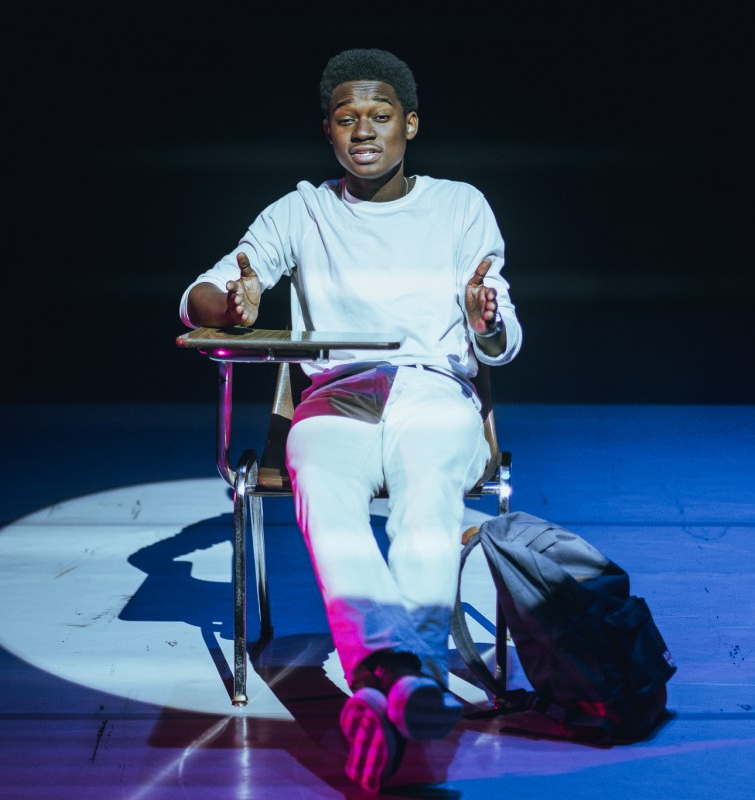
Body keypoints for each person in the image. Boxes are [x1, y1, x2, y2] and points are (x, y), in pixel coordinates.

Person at [179, 47, 522, 790]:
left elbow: (503, 333)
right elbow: (205, 292)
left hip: (434, 390)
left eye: (380, 115)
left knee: (428, 502)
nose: (363, 130)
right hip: (338, 395)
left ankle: (384, 674)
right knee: (327, 501)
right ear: (329, 131)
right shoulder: (301, 210)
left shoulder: (460, 205)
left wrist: (485, 319)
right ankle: (406, 678)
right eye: (346, 118)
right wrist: (230, 305)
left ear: (410, 124)